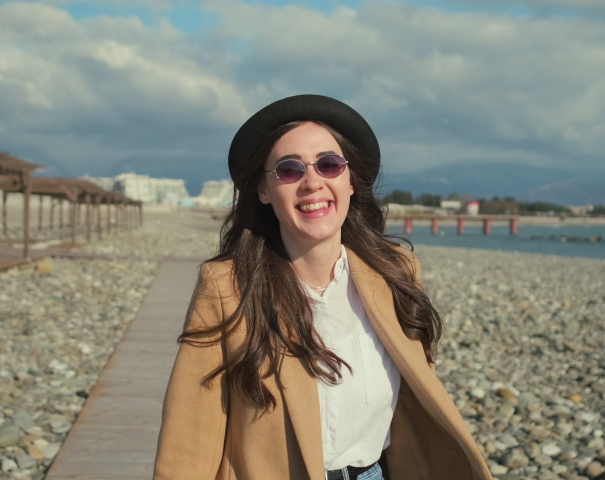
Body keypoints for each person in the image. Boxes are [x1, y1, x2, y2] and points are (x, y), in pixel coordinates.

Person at [154, 95, 492, 480]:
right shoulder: (228, 288)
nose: (312, 182)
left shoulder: (396, 275)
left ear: (350, 182)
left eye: (329, 165)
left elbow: (418, 405)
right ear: (264, 191)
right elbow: (190, 438)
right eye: (288, 169)